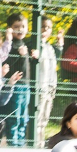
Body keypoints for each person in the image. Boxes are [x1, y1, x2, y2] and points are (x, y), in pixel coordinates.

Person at [0, 14, 35, 146]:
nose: (20, 29)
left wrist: (33, 56)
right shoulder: (10, 45)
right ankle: (13, 144)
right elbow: (6, 62)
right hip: (15, 86)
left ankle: (20, 143)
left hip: (26, 86)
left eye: (23, 26)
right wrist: (17, 54)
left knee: (23, 118)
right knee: (14, 117)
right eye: (16, 27)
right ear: (10, 29)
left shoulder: (27, 44)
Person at [34, 16, 57, 145]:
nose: (45, 30)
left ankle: (41, 143)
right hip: (40, 88)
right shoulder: (35, 45)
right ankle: (34, 143)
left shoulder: (50, 47)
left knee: (45, 119)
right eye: (43, 26)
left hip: (49, 88)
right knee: (37, 119)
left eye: (48, 27)